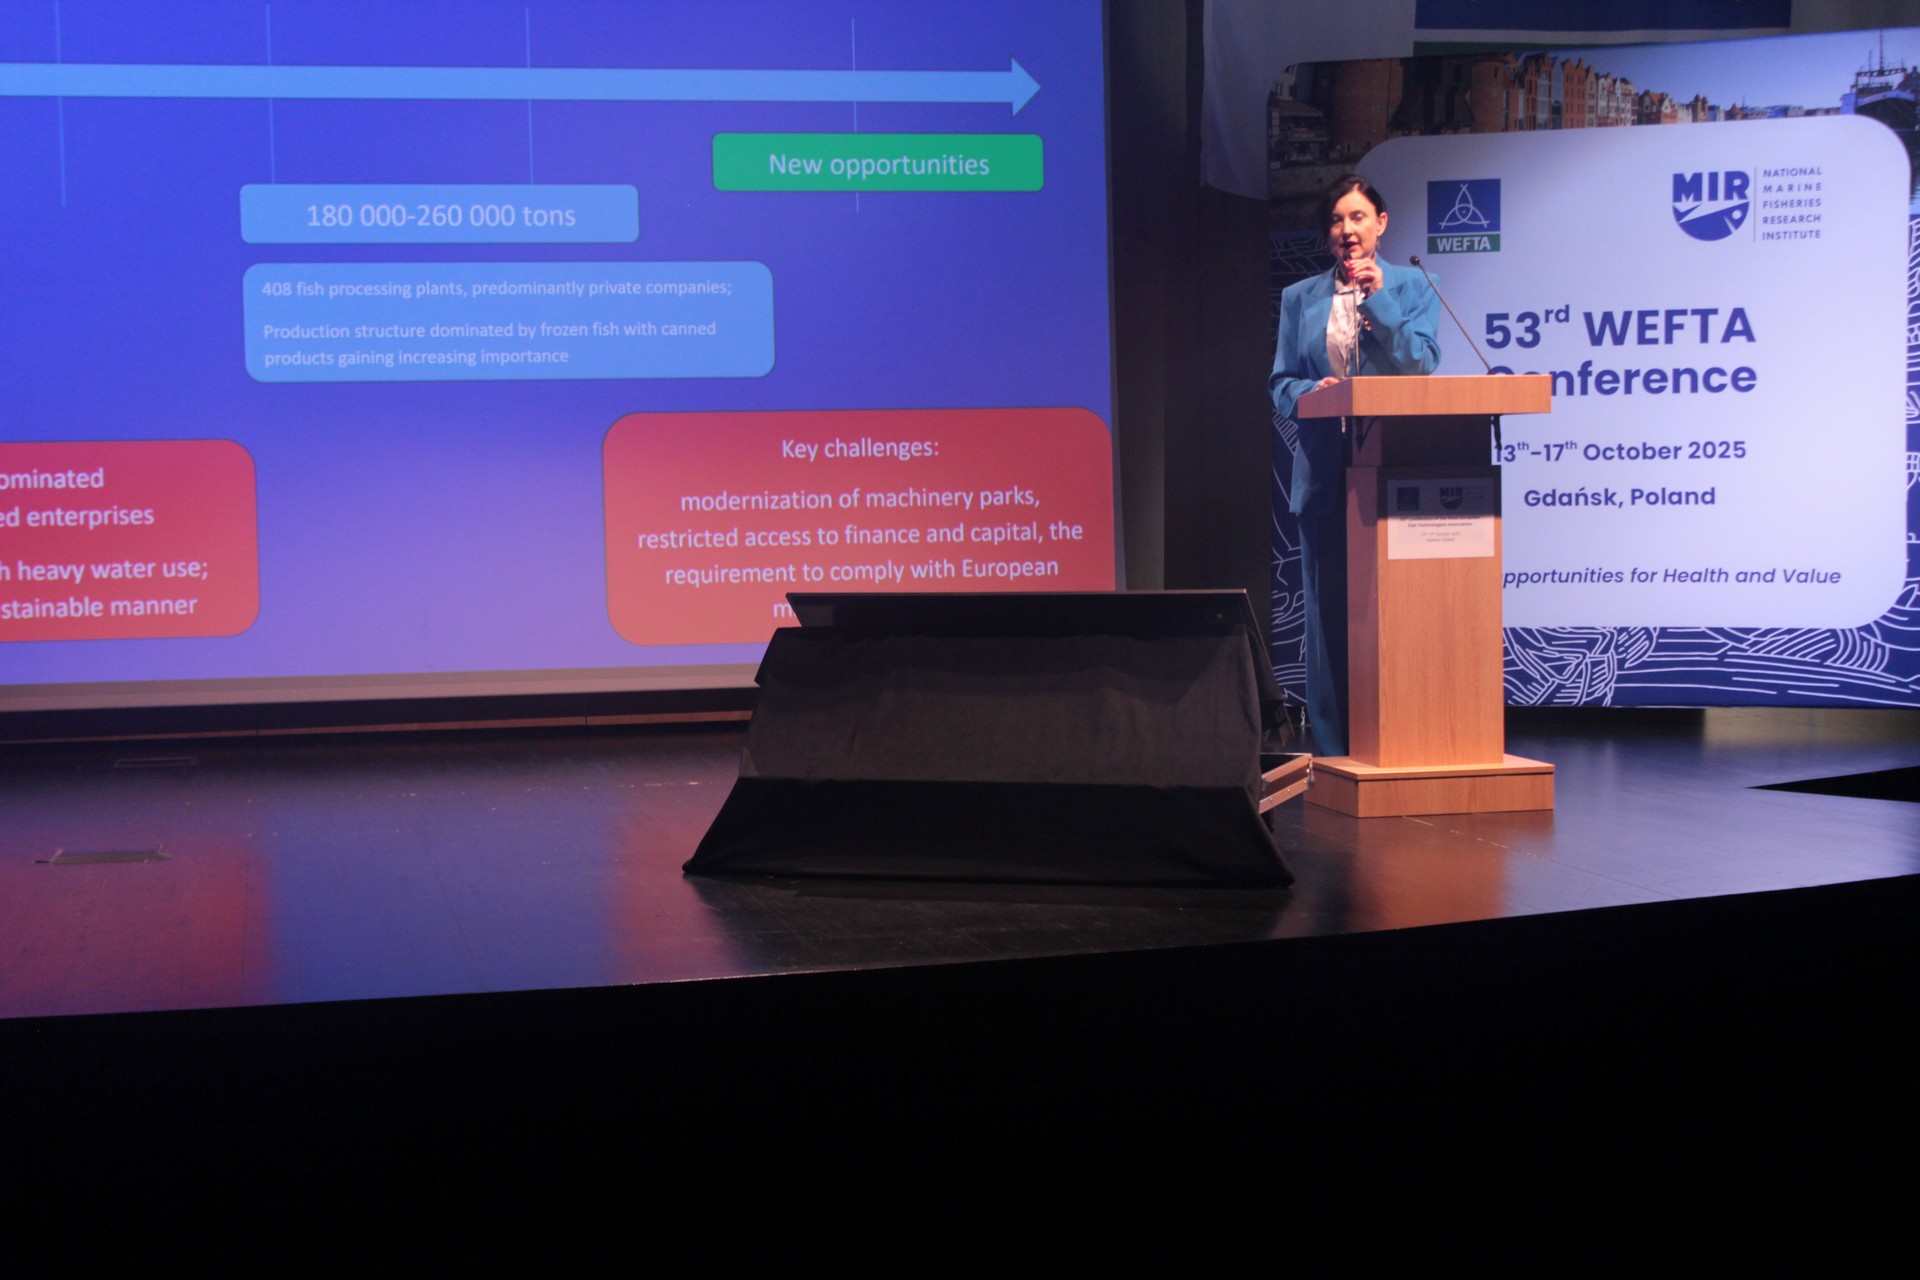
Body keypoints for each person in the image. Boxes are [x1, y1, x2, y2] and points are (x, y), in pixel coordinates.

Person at [1268, 175, 1441, 757]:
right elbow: (1281, 382)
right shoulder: (1301, 297)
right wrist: (1310, 393)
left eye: (1359, 217)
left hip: (1394, 470)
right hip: (1324, 471)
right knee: (1328, 616)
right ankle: (1334, 750)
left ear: (1381, 224)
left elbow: (1420, 364)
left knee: (1395, 611)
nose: (1347, 229)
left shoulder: (1416, 286)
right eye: (1338, 220)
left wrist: (1379, 301)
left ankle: (1402, 739)